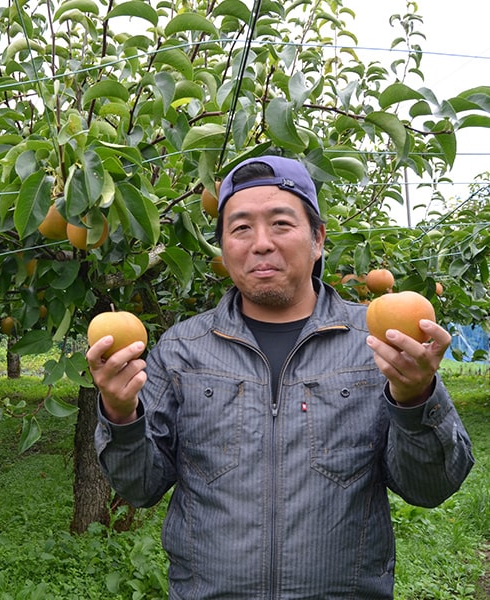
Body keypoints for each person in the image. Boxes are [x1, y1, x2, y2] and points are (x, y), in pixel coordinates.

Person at [87, 155, 475, 599]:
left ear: (318, 239)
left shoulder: (376, 344)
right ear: (224, 248)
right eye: (241, 228)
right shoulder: (181, 349)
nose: (261, 243)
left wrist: (415, 396)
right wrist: (120, 414)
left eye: (281, 223)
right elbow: (140, 488)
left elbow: (430, 487)